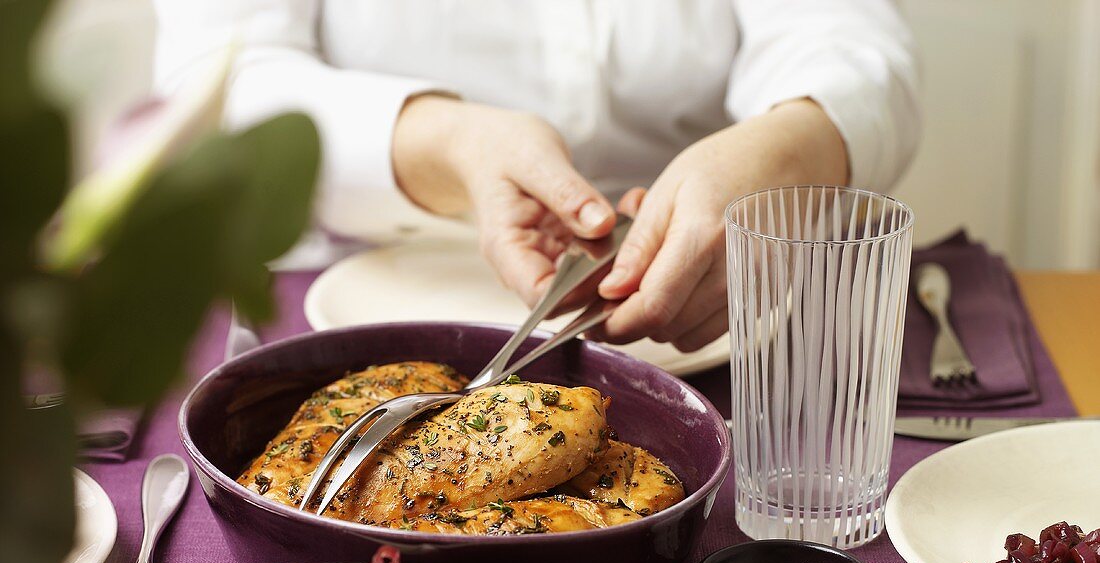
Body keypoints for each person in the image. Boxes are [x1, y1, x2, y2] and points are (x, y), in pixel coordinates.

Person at [154, 1, 919, 352]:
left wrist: (786, 155)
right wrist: (447, 144)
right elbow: (214, 88)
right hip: (343, 310)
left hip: (729, 318)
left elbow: (851, 44)